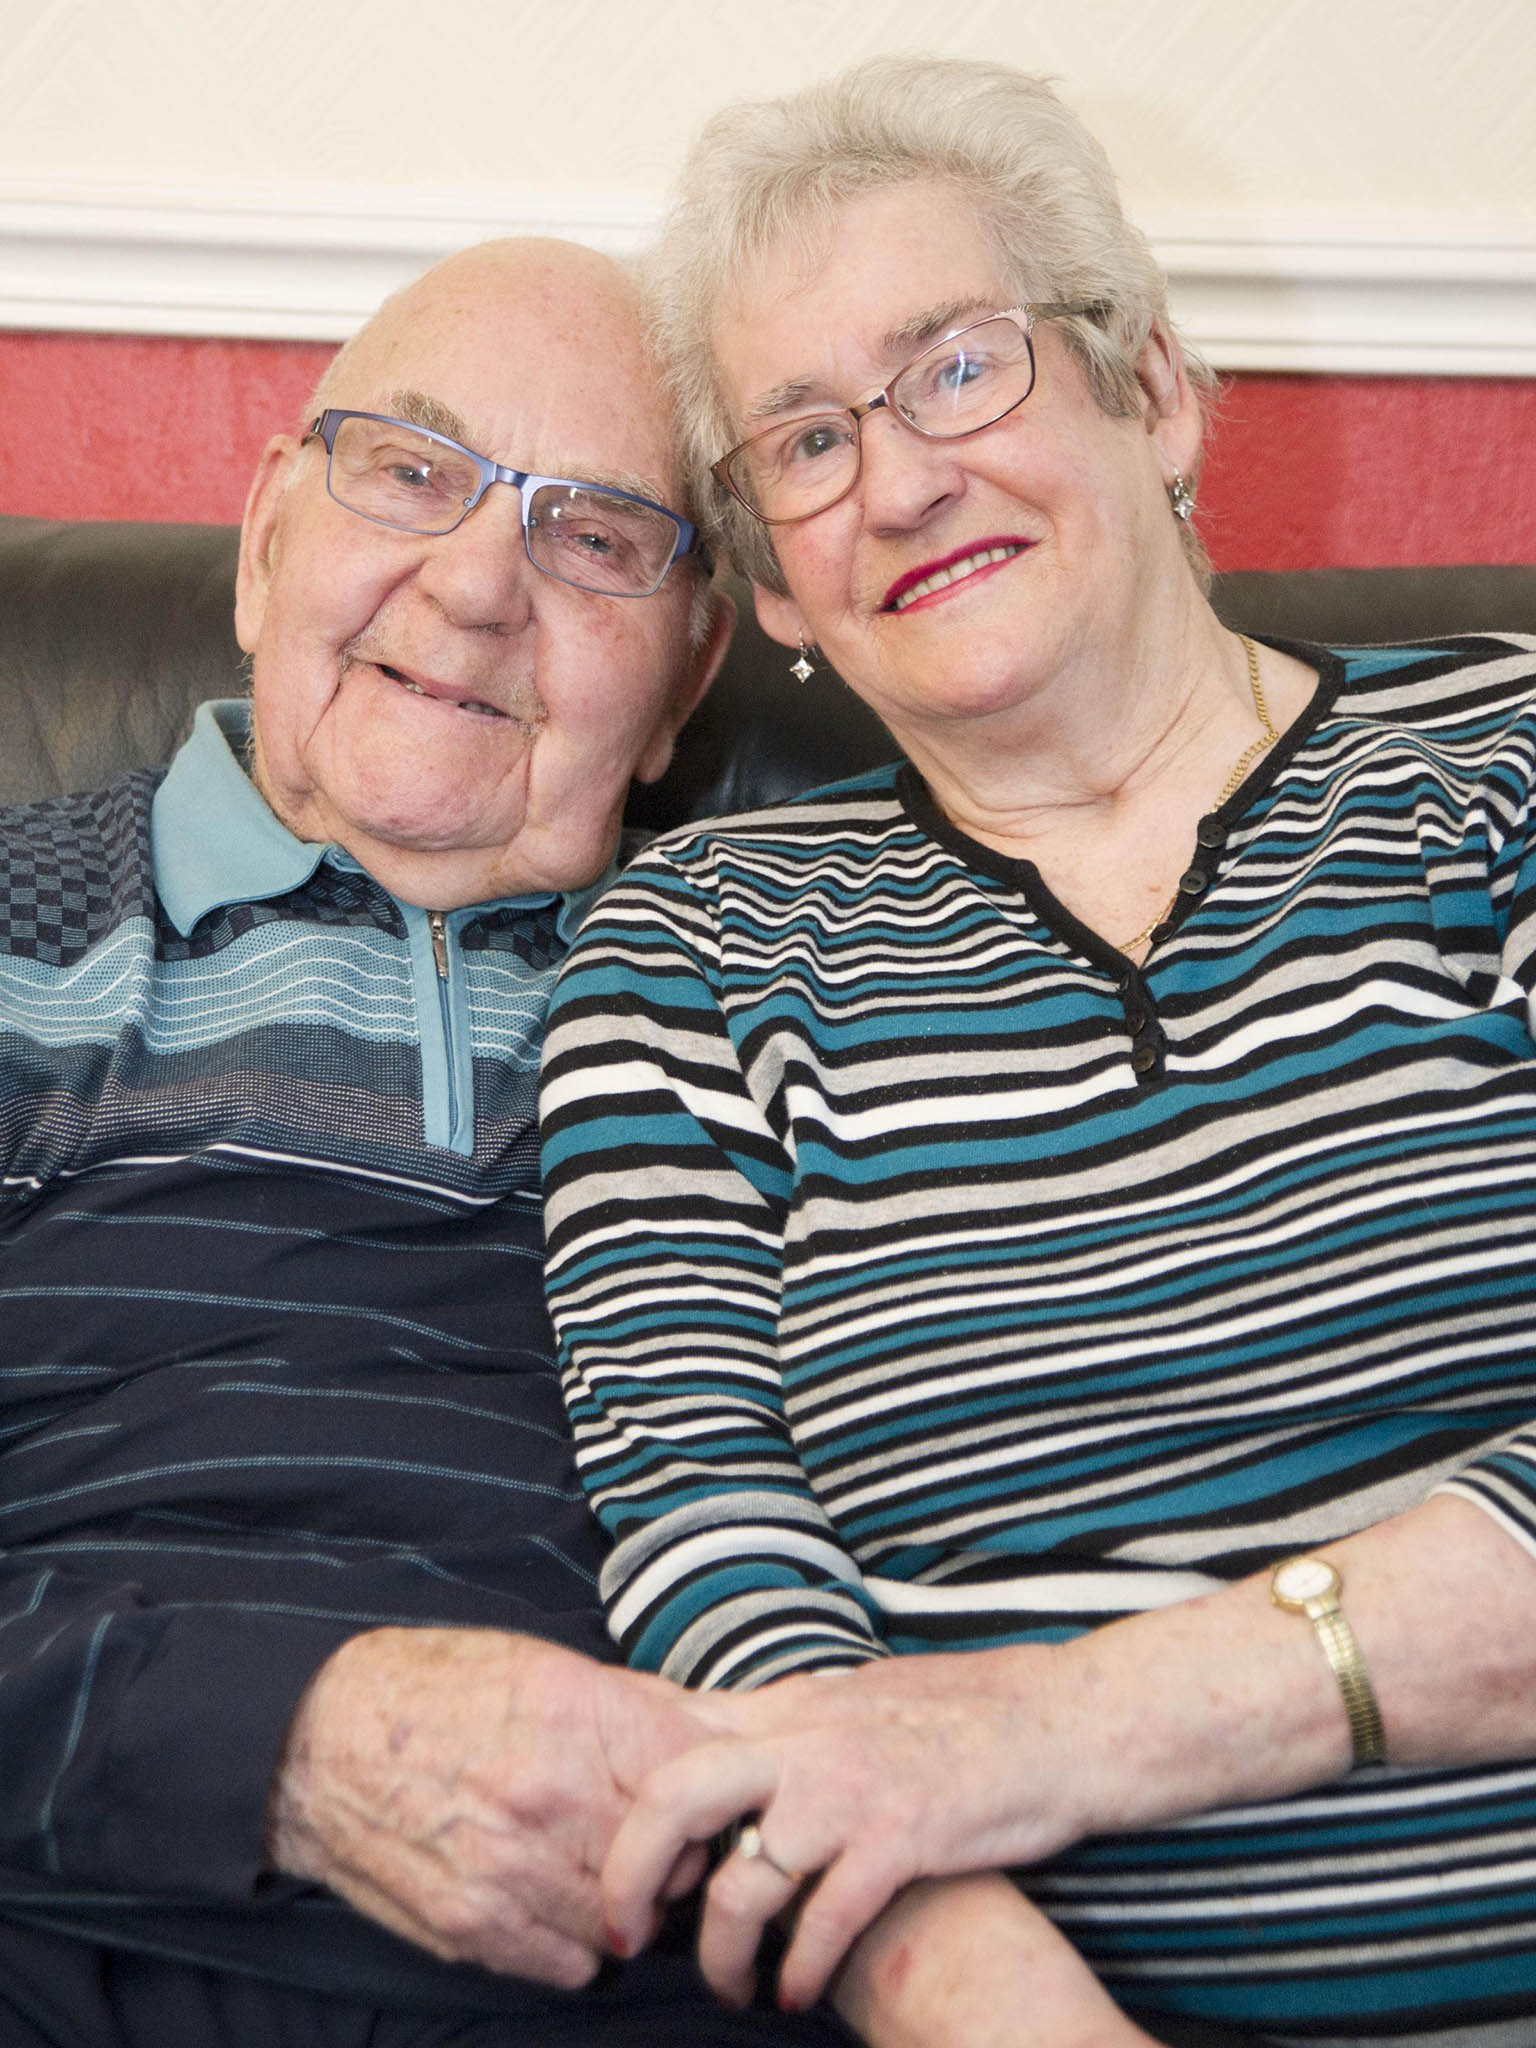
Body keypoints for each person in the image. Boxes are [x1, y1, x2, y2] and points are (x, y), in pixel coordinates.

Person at [539, 57, 1536, 2048]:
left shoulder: (1499, 781)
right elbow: (717, 1562)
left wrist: (1038, 1733)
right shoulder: (687, 958)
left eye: (957, 368)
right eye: (804, 440)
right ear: (779, 582)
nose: (896, 481)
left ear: (1152, 391)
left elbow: (930, 1745)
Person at [0, 231, 888, 2048]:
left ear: (691, 664)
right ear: (264, 541)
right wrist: (285, 1746)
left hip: (649, 1970)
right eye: (411, 470)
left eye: (593, 535)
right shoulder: (14, 915)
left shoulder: (787, 997)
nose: (479, 582)